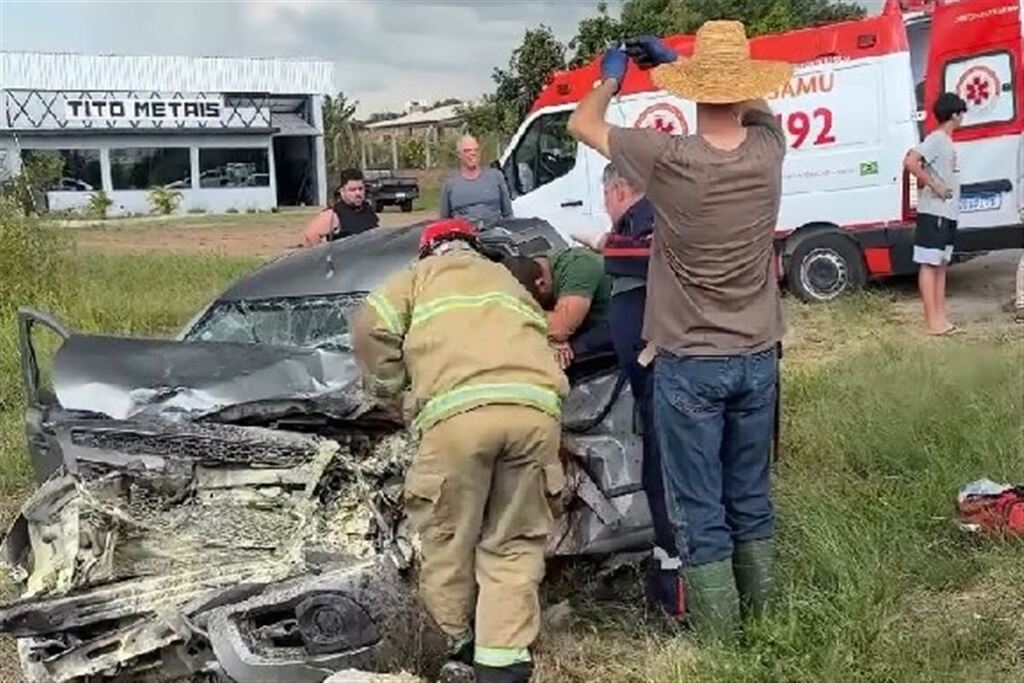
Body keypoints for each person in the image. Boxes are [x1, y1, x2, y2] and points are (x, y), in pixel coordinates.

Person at [566, 23, 792, 640]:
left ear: (694, 91)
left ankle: (723, 640)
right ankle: (767, 624)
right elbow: (762, 114)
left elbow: (582, 125)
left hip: (691, 360)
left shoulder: (669, 160)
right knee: (749, 494)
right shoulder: (768, 151)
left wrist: (612, 73)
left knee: (699, 506)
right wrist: (679, 61)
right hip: (757, 356)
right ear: (743, 86)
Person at [351, 218, 568, 683]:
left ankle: (453, 648)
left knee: (449, 539)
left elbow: (370, 326)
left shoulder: (415, 279)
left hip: (457, 422)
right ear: (474, 247)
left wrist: (391, 389)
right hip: (534, 415)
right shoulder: (507, 281)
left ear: (427, 251)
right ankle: (502, 663)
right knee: (513, 540)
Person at [575, 161, 683, 618]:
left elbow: (638, 260)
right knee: (662, 484)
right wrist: (574, 345)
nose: (606, 209)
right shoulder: (643, 222)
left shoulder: (642, 221)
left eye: (606, 200)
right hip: (654, 382)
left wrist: (599, 242)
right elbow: (627, 313)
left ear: (619, 189)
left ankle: (677, 596)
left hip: (667, 379)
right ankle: (669, 581)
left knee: (668, 488)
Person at [904, 92, 967, 335]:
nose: (963, 118)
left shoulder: (947, 143)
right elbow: (911, 161)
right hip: (934, 213)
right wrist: (933, 184)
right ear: (955, 114)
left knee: (940, 264)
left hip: (948, 212)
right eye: (961, 113)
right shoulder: (937, 139)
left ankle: (941, 319)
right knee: (929, 264)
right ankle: (932, 321)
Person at [502, 247, 613, 368]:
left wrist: (555, 334)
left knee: (558, 360)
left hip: (616, 320)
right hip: (578, 321)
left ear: (541, 285)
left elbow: (559, 329)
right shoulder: (526, 274)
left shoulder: (579, 267)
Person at [439, 135, 513, 223]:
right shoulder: (450, 184)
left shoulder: (496, 176)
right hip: (464, 233)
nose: (473, 153)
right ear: (459, 154)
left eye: (476, 150)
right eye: (467, 151)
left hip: (494, 231)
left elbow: (508, 215)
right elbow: (444, 221)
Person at [302, 168, 379, 246]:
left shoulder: (367, 209)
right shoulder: (334, 214)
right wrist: (325, 255)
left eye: (360, 189)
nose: (358, 193)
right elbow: (311, 234)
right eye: (352, 190)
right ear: (342, 191)